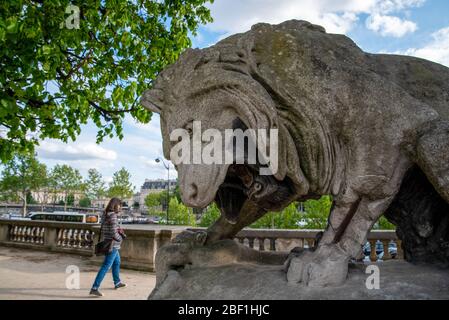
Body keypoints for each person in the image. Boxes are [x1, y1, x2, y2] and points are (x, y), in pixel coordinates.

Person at [90, 198, 127, 297]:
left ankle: (117, 282)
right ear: (115, 205)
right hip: (113, 244)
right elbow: (114, 233)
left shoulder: (105, 215)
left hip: (108, 241)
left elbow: (108, 229)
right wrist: (121, 238)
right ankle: (94, 287)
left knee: (117, 262)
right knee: (106, 266)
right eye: (119, 205)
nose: (120, 207)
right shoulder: (113, 216)